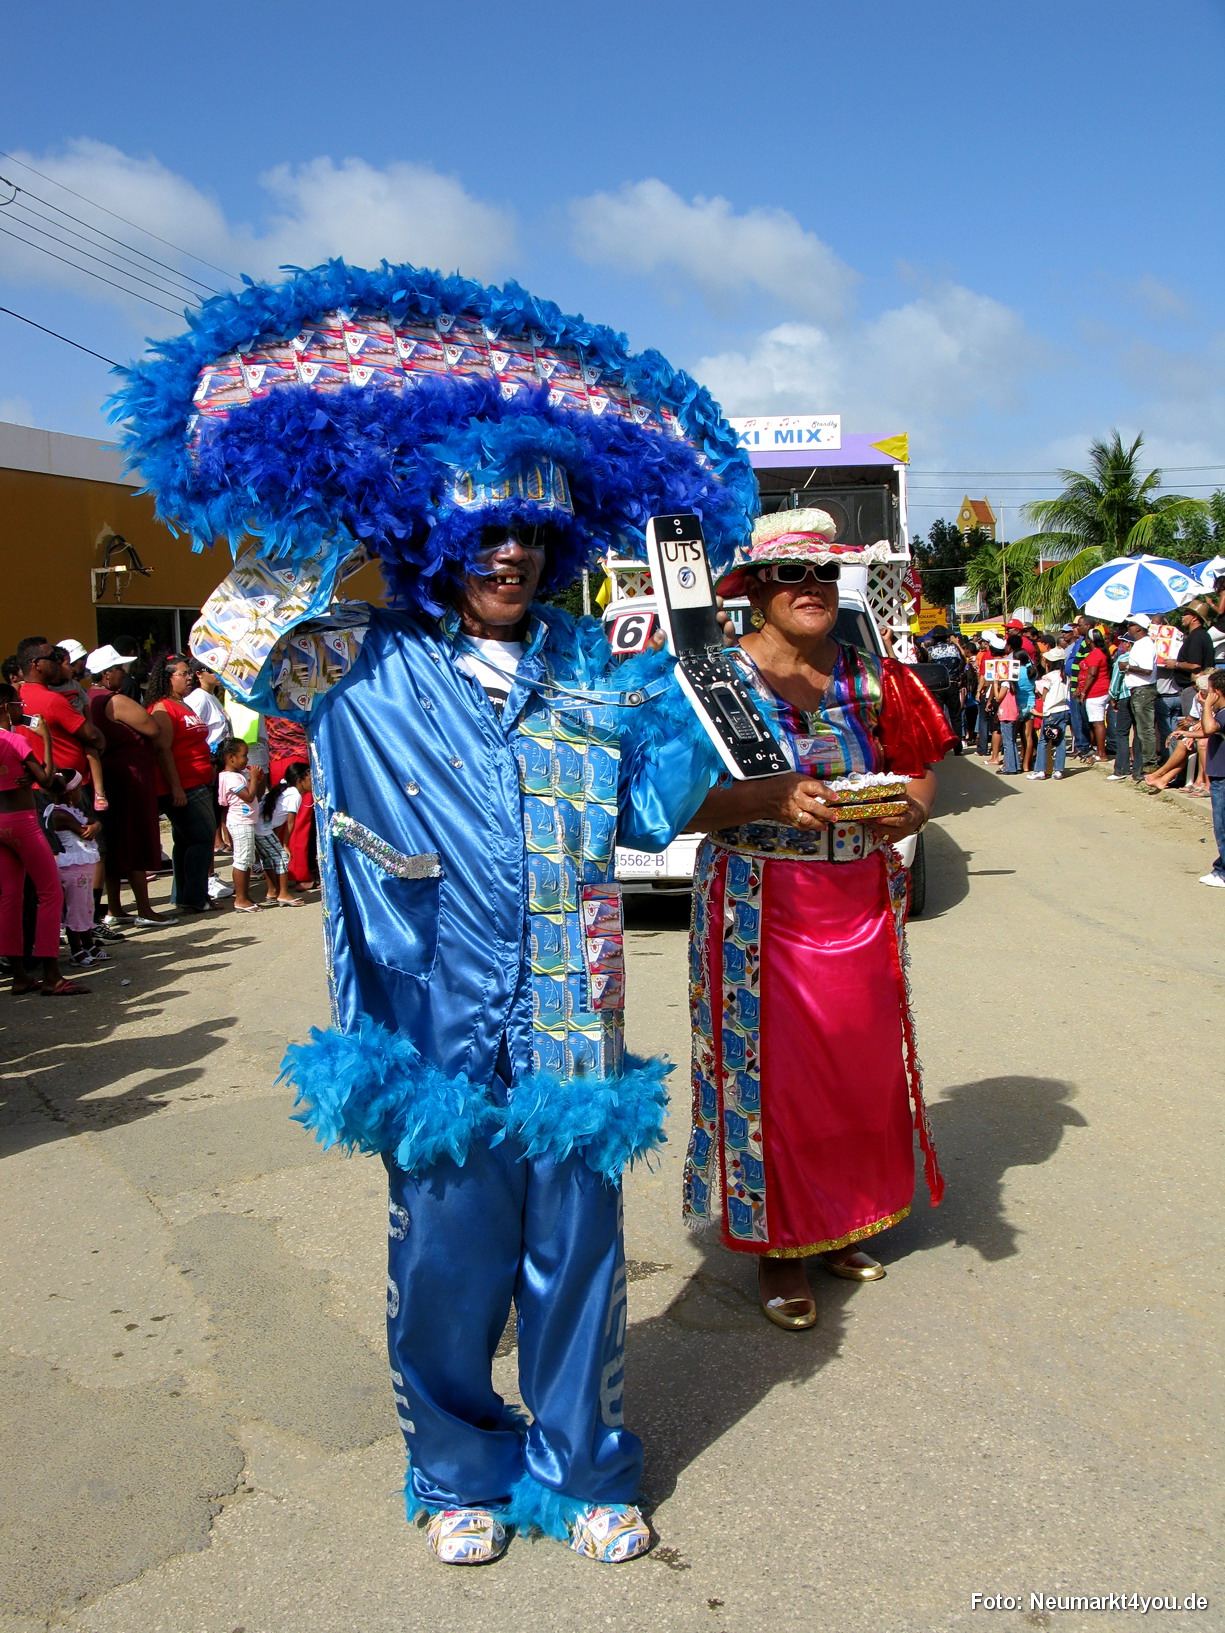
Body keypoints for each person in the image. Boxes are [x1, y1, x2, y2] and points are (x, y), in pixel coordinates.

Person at [114, 258, 748, 1566]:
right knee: (447, 1269)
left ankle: (581, 1469)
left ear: (559, 542)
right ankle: (457, 1464)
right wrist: (339, 490)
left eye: (530, 531)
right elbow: (231, 648)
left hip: (572, 1021)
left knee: (577, 1259)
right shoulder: (359, 660)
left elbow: (668, 799)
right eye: (480, 529)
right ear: (437, 540)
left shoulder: (595, 672)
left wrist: (713, 664)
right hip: (428, 1025)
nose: (508, 551)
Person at [680, 509, 952, 1330]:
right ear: (756, 590)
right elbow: (673, 804)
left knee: (854, 1072)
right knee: (776, 1079)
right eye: (792, 574)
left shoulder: (876, 676)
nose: (812, 589)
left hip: (857, 902)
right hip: (755, 906)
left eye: (823, 574)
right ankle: (779, 1243)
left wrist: (910, 812)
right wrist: (766, 796)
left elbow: (920, 764)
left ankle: (841, 1220)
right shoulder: (710, 680)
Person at [0, 689, 86, 996]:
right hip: (22, 822)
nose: (19, 709)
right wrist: (45, 737)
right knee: (50, 894)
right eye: (16, 705)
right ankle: (51, 975)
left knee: (10, 898)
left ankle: (20, 974)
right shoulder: (15, 739)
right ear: (5, 706)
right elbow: (49, 780)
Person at [87, 644, 177, 927]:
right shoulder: (113, 701)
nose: (124, 675)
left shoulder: (88, 699)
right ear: (106, 674)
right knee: (134, 840)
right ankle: (144, 909)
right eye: (119, 670)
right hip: (130, 778)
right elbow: (152, 728)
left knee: (114, 844)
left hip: (111, 776)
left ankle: (116, 908)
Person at [145, 656, 216, 914]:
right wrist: (175, 788)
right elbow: (162, 750)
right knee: (202, 838)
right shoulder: (163, 708)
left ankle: (185, 896)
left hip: (196, 781)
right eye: (184, 674)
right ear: (168, 677)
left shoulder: (181, 704)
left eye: (189, 673)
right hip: (183, 785)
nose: (189, 677)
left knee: (186, 841)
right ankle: (195, 898)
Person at [17, 638, 107, 796]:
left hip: (39, 784)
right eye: (52, 658)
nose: (57, 662)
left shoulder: (17, 696)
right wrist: (100, 744)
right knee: (92, 822)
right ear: (36, 664)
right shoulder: (51, 700)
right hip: (68, 786)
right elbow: (93, 736)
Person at [216, 736, 283, 912]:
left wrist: (255, 779)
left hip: (243, 821)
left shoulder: (233, 776)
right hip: (241, 822)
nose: (247, 760)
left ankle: (244, 897)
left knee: (246, 859)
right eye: (244, 756)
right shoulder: (232, 778)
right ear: (231, 757)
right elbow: (249, 796)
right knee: (242, 859)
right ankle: (241, 898)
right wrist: (253, 778)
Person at [46, 774, 105, 967]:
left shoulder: (69, 811)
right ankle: (76, 949)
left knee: (86, 907)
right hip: (72, 868)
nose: (82, 792)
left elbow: (93, 823)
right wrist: (93, 827)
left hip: (82, 867)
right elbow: (84, 831)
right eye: (80, 788)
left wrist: (95, 825)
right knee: (76, 909)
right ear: (70, 792)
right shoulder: (59, 814)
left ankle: (88, 944)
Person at [1195, 670, 1225, 888]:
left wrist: (1206, 706)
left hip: (1222, 779)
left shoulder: (1222, 714)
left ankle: (1223, 872)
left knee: (1222, 828)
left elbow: (1210, 727)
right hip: (1219, 776)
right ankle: (1220, 868)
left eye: (1210, 691)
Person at [1120, 614, 1159, 775]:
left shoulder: (1144, 645)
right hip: (1138, 690)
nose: (1128, 627)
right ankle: (1145, 764)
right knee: (1141, 730)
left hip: (1143, 690)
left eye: (1130, 624)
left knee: (1145, 730)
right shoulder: (1140, 644)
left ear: (1138, 627)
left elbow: (1147, 669)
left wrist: (1127, 667)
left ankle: (1150, 765)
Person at [1028, 645, 1070, 780]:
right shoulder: (1065, 677)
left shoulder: (1048, 677)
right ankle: (1059, 770)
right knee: (1060, 740)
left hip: (1051, 711)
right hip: (1063, 710)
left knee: (1044, 741)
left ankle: (1040, 770)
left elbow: (1044, 695)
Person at [1075, 629, 1111, 764]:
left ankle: (1101, 753)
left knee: (1097, 722)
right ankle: (1098, 750)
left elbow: (1092, 674)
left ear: (1089, 640)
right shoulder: (1099, 653)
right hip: (1098, 691)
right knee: (1096, 722)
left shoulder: (1096, 654)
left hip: (1096, 692)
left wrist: (1083, 691)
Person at [1062, 616, 1094, 757]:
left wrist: (1080, 688)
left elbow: (1086, 667)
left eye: (1077, 626)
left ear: (1087, 626)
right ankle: (1080, 745)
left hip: (1079, 685)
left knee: (1080, 718)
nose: (1075, 628)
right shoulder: (1078, 642)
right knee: (1076, 717)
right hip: (1073, 683)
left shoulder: (1086, 643)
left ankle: (1083, 746)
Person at [184, 660, 230, 749]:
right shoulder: (198, 698)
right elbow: (191, 733)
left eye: (220, 668)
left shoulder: (211, 696)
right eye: (212, 670)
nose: (218, 673)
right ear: (199, 674)